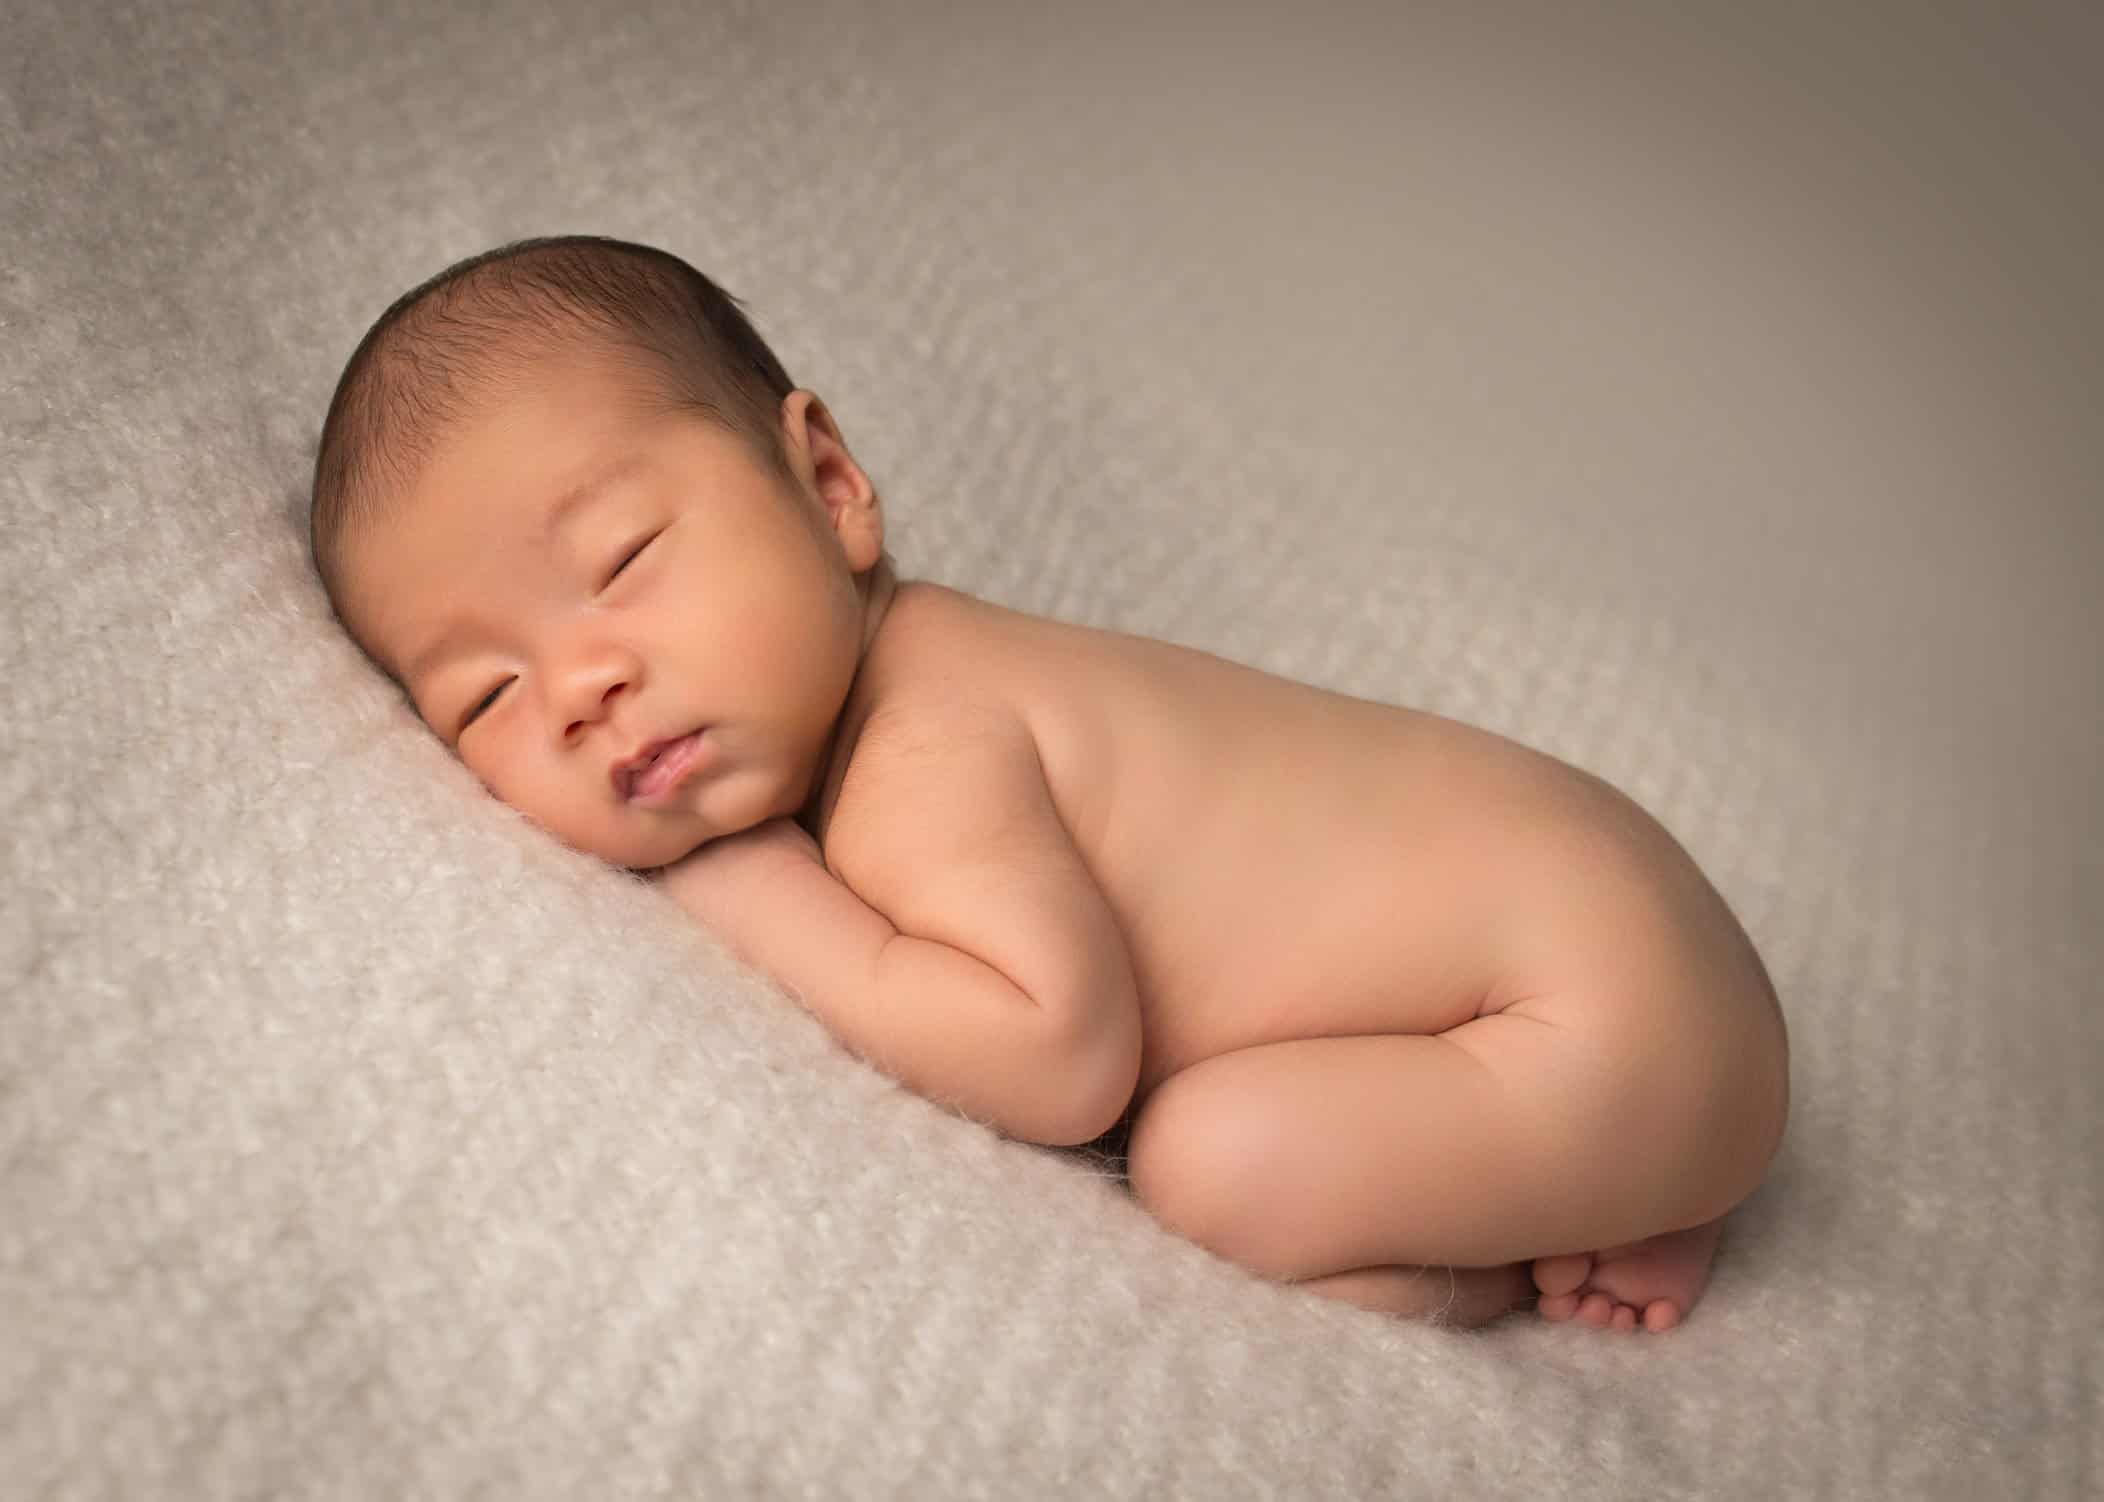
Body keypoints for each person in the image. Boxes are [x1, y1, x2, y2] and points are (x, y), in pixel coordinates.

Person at [311, 235, 1790, 1333]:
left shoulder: (929, 747)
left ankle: (1609, 1203)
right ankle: (1627, 1168)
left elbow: (1059, 1053)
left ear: (829, 487)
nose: (581, 688)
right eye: (484, 695)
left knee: (1208, 1170)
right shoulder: (937, 676)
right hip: (1613, 923)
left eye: (625, 557)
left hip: (1595, 1007)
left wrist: (749, 889)